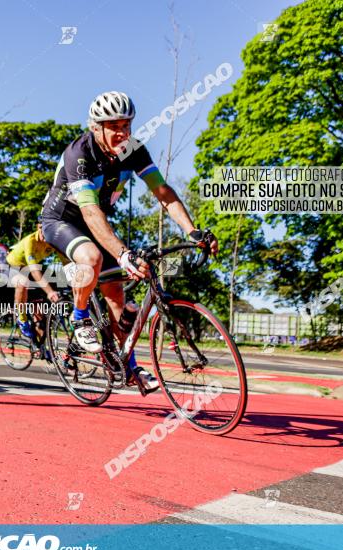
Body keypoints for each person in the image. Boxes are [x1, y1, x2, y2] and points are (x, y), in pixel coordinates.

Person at [40, 91, 218, 390]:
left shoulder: (133, 149)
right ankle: (80, 316)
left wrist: (193, 231)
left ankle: (127, 365)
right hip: (62, 221)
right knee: (92, 258)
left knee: (117, 300)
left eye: (127, 126)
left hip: (99, 225)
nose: (123, 133)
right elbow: (90, 211)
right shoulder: (79, 154)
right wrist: (123, 254)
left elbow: (162, 191)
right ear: (96, 127)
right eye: (115, 127)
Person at [6, 223, 67, 340]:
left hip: (30, 267)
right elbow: (34, 271)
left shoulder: (53, 241)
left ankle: (42, 347)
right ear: (38, 227)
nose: (46, 234)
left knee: (39, 310)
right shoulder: (31, 241)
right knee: (23, 283)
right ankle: (22, 320)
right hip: (14, 265)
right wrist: (50, 292)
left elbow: (66, 261)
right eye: (43, 230)